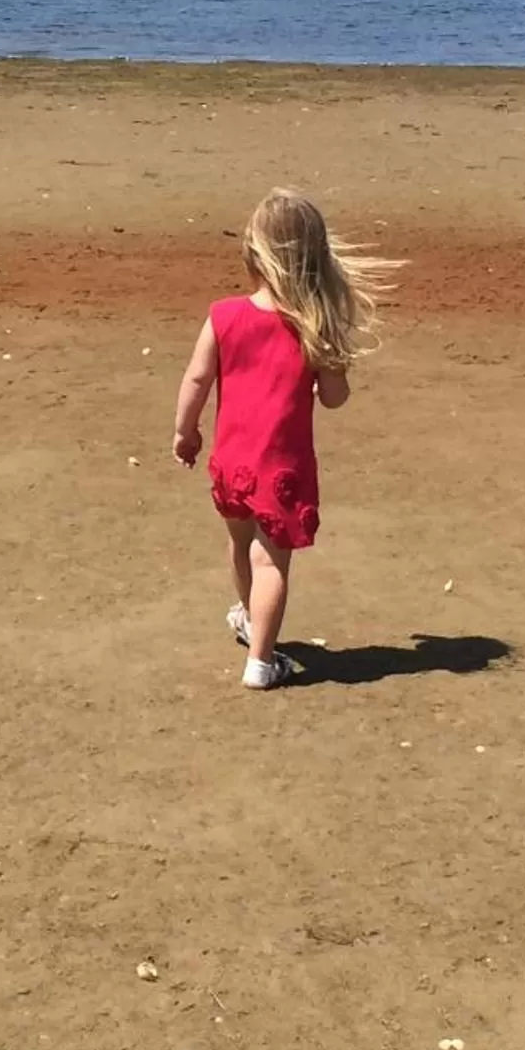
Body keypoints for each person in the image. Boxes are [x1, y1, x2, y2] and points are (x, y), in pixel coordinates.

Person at [171, 188, 397, 689]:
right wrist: (328, 360)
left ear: (253, 253)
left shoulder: (223, 315)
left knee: (239, 544)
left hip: (232, 462)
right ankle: (260, 660)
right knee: (270, 560)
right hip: (281, 469)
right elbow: (335, 398)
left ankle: (252, 622)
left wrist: (185, 433)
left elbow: (195, 379)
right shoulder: (313, 326)